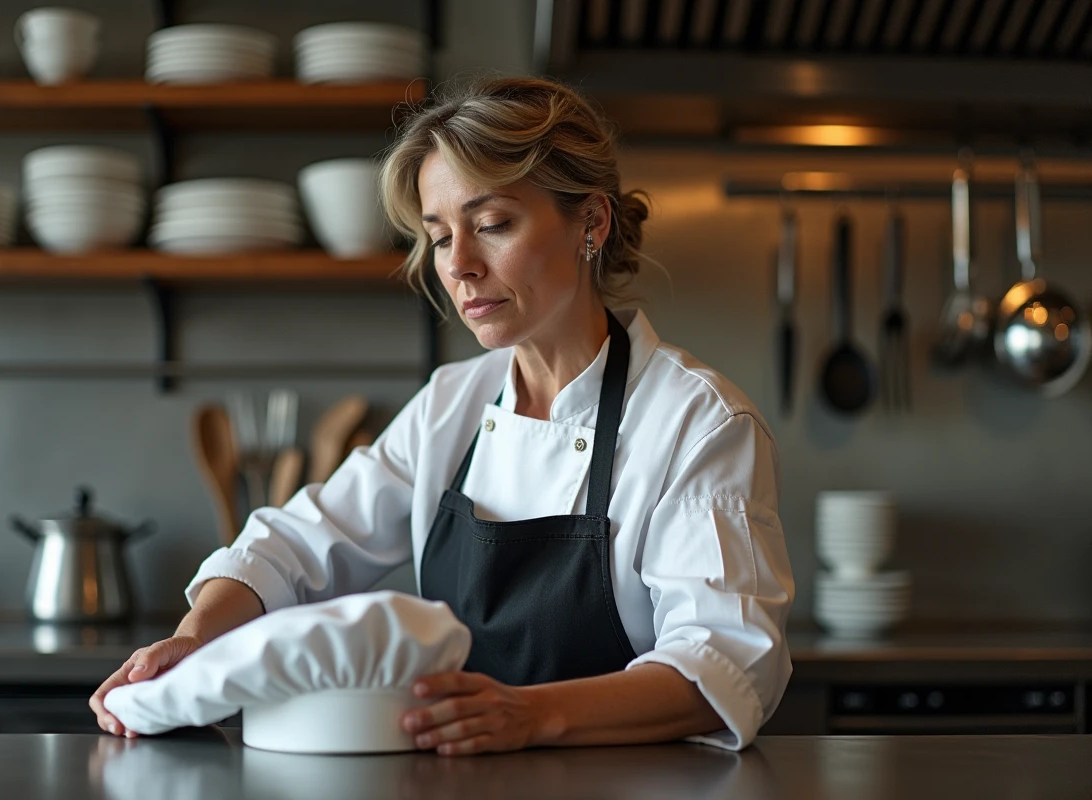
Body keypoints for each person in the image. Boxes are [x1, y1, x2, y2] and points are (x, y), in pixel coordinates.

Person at [90, 75, 794, 755]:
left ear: (591, 221)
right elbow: (298, 544)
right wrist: (195, 637)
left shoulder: (697, 422)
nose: (459, 265)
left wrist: (533, 715)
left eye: (492, 224)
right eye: (440, 236)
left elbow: (725, 666)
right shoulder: (452, 403)